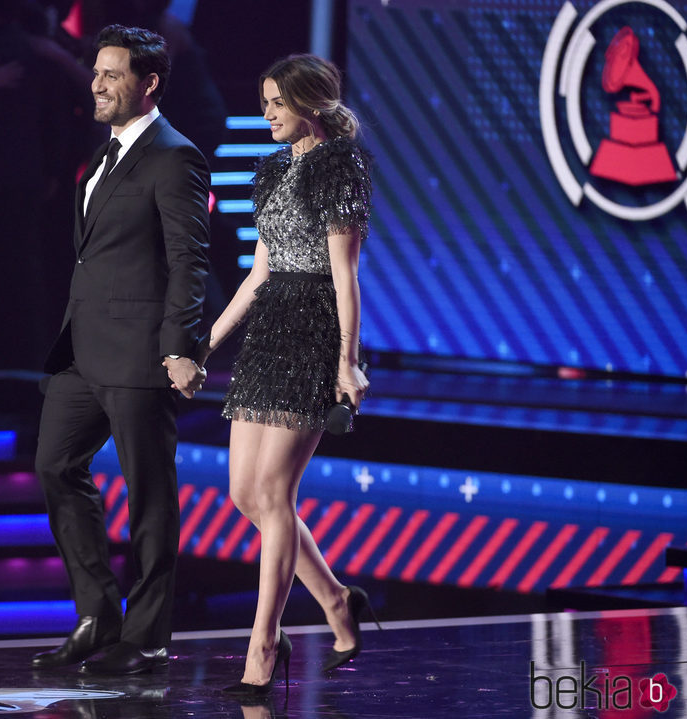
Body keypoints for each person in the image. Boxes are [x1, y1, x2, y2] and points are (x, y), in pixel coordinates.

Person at [188, 54, 376, 695]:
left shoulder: (339, 166)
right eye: (264, 100)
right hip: (269, 332)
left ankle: (264, 645)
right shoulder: (273, 171)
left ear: (311, 105)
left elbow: (345, 275)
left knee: (274, 495)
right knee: (244, 494)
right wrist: (205, 345)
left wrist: (347, 360)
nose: (266, 112)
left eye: (276, 102)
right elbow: (257, 274)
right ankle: (335, 600)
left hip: (316, 331)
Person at [31, 24, 210, 675]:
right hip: (82, 350)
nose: (97, 84)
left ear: (149, 82)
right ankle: (98, 613)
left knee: (150, 497)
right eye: (97, 72)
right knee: (54, 463)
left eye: (111, 74)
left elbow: (190, 260)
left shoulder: (174, 155)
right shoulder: (102, 150)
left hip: (141, 353)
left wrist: (181, 346)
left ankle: (149, 634)